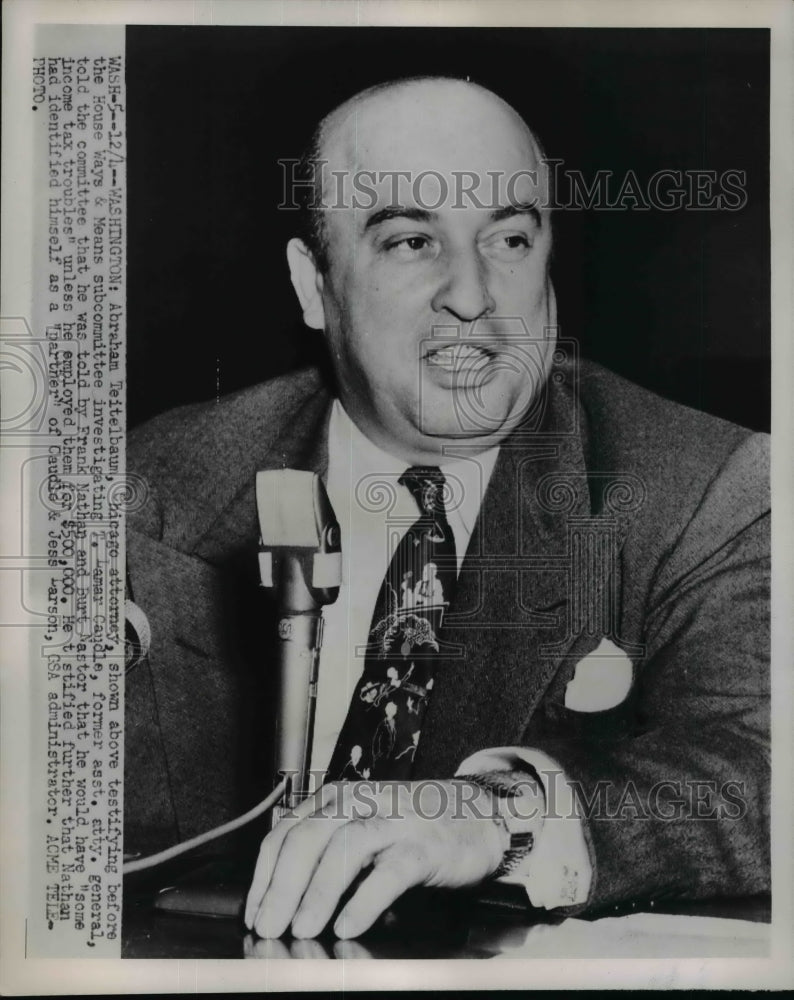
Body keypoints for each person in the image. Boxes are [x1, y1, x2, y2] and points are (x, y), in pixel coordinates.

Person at [125, 77, 770, 941]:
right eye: (410, 241)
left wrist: (496, 812)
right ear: (313, 285)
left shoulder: (709, 487)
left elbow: (766, 764)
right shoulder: (145, 490)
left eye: (509, 238)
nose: (472, 294)